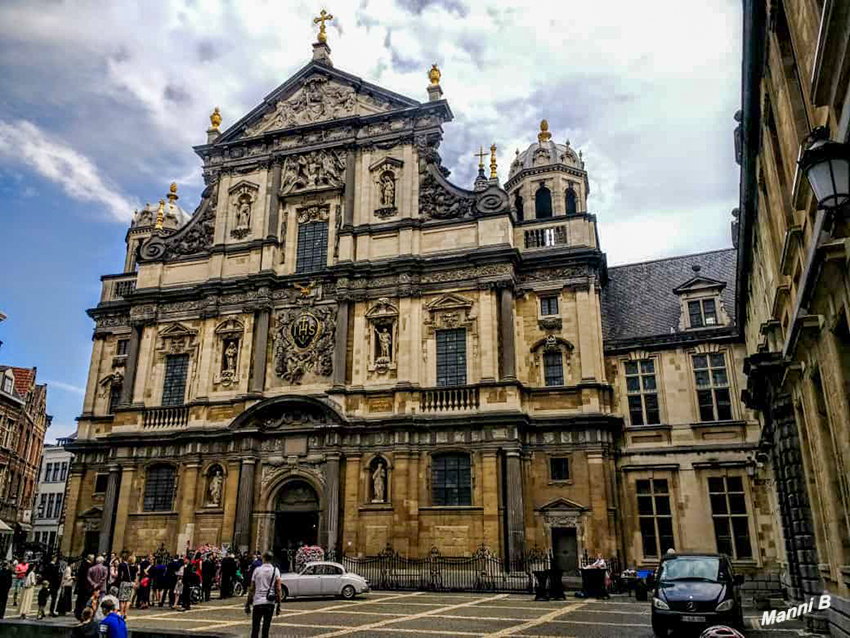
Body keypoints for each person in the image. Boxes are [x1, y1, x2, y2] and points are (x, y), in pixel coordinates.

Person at [245, 551, 281, 638]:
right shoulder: (276, 571)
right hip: (269, 602)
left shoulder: (257, 570)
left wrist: (248, 603)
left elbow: (252, 588)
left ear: (263, 558)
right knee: (266, 628)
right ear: (271, 559)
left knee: (255, 628)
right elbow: (278, 589)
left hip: (258, 601)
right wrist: (279, 605)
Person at [74, 554, 93, 620]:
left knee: (80, 600)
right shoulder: (89, 566)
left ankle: (77, 612)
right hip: (86, 587)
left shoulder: (83, 564)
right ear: (90, 559)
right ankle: (82, 614)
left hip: (81, 586)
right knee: (84, 602)